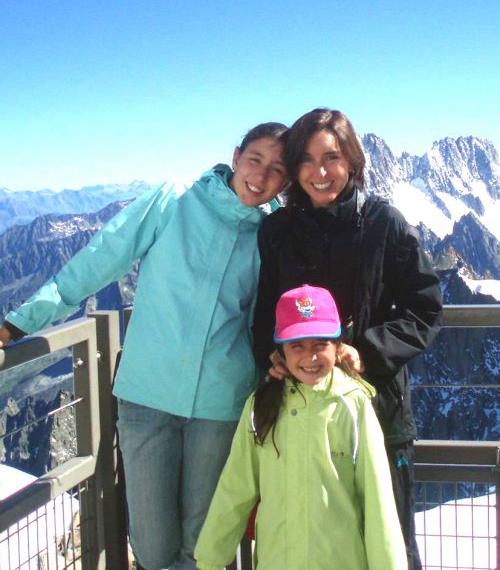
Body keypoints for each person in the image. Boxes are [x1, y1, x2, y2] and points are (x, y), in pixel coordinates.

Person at [0, 121, 289, 570]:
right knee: (152, 546)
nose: (262, 174)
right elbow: (99, 259)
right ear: (235, 157)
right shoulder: (175, 199)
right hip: (146, 400)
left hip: (219, 406)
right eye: (255, 159)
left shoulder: (271, 233)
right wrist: (19, 323)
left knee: (204, 545)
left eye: (277, 169)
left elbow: (264, 321)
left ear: (285, 181)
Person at [252, 109, 443, 569]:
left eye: (332, 157)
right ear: (295, 168)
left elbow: (425, 308)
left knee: (391, 544)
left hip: (379, 414)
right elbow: (263, 314)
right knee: (316, 546)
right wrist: (271, 356)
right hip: (301, 418)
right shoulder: (276, 232)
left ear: (351, 160)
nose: (320, 172)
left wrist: (368, 349)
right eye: (307, 160)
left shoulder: (385, 225)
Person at [194, 284, 408, 570]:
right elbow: (236, 486)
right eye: (297, 345)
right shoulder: (261, 406)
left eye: (320, 344)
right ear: (280, 351)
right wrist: (210, 558)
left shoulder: (353, 405)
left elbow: (377, 497)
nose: (310, 357)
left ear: (338, 345)